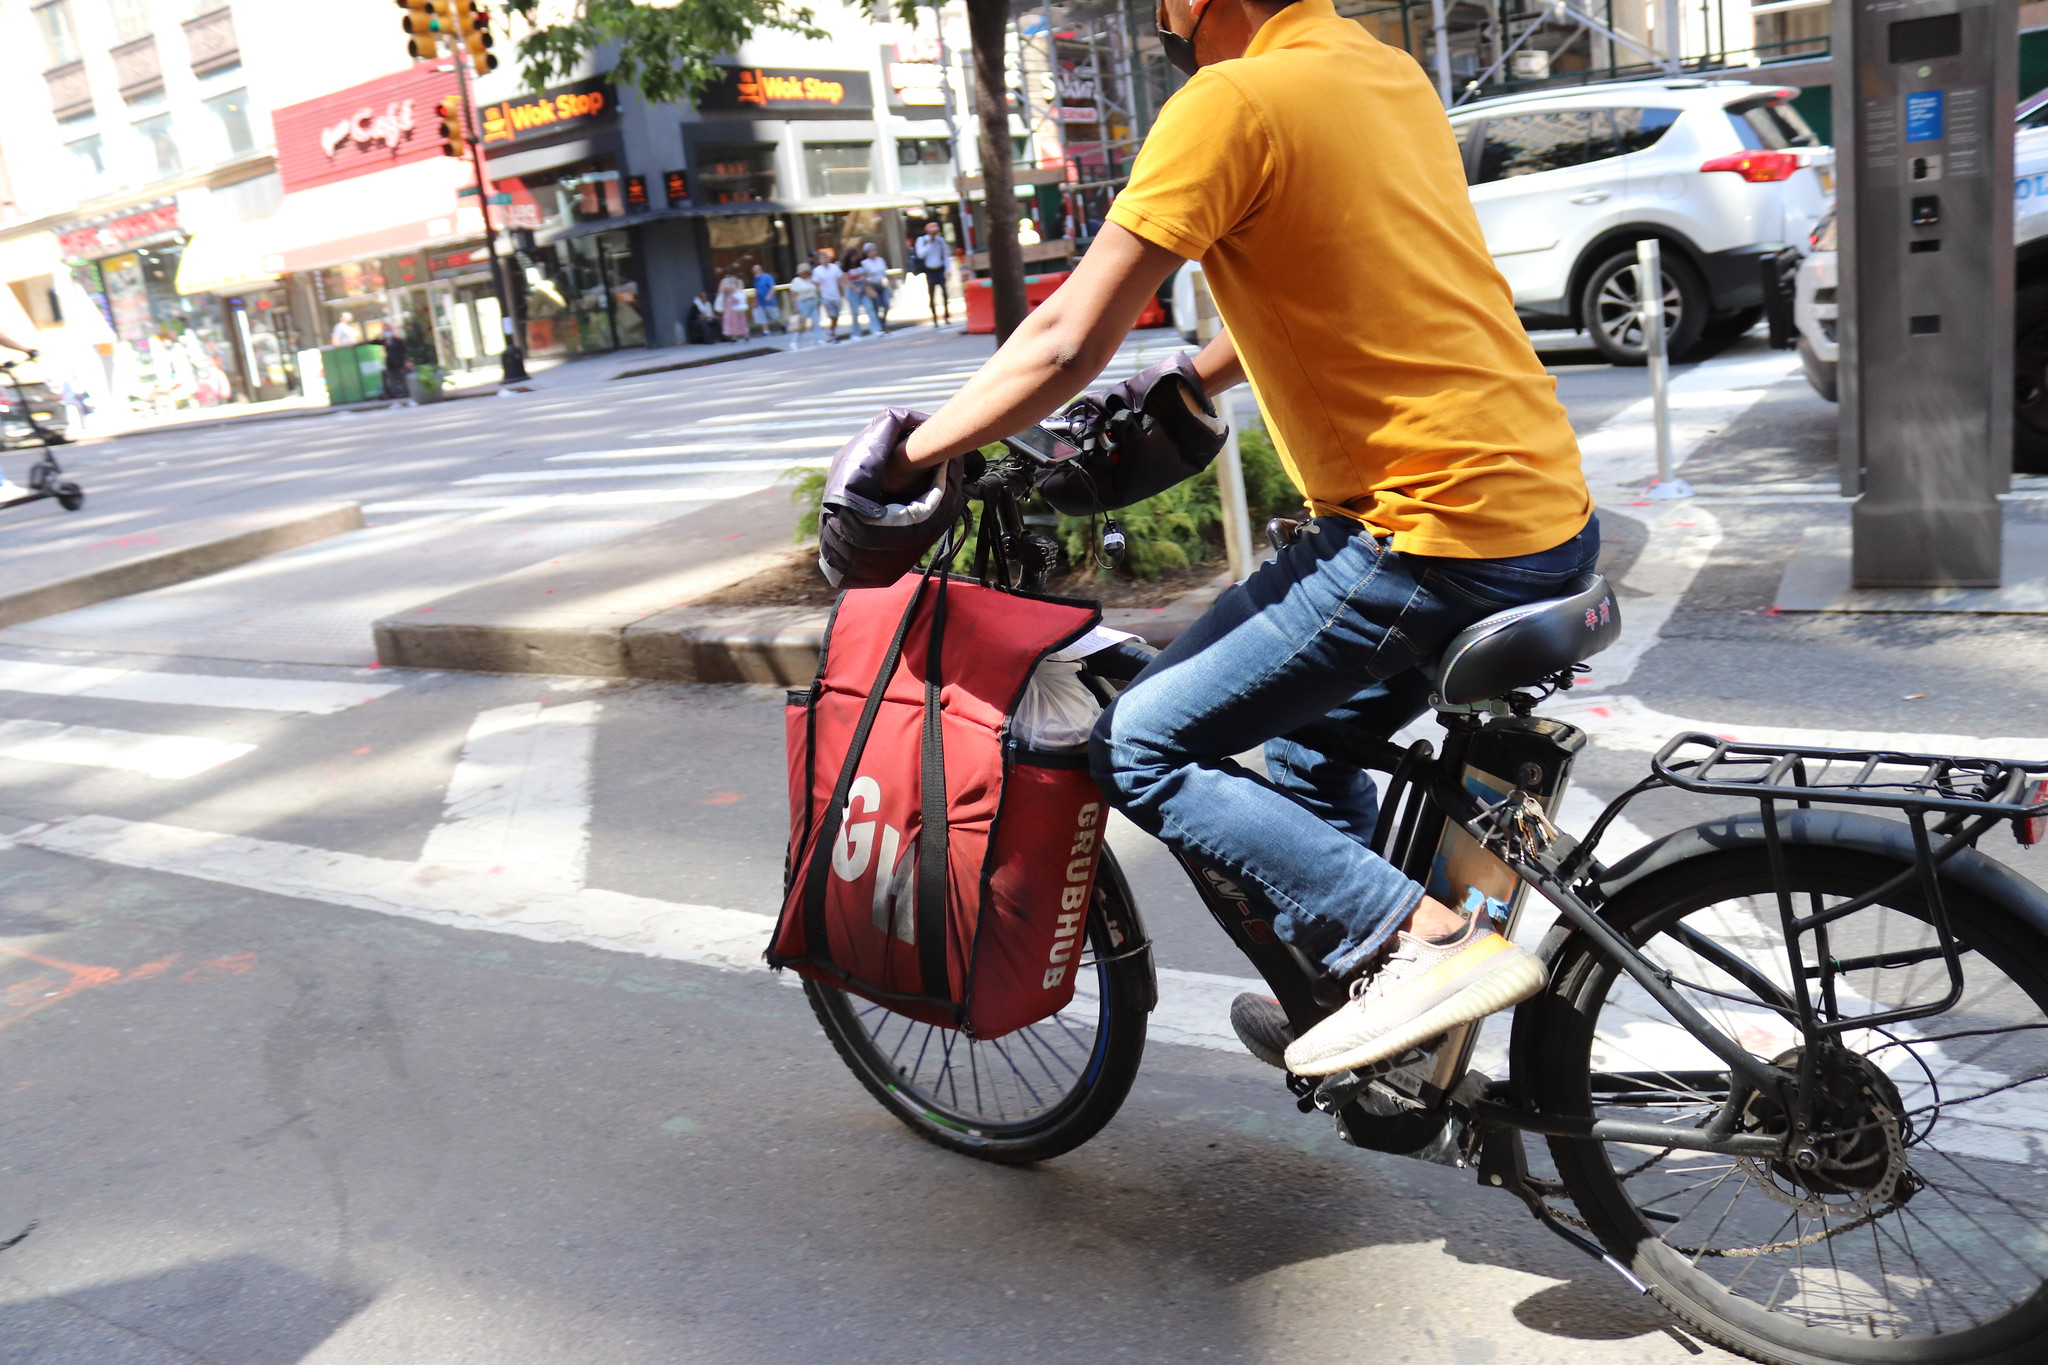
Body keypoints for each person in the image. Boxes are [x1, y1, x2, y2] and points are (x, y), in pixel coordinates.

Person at [863, 0, 1595, 1079]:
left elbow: (1064, 336)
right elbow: (1348, 278)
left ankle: (1421, 942)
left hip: (1423, 538)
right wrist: (1182, 376)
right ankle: (1383, 1026)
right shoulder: (1379, 70)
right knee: (1306, 743)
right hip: (1544, 517)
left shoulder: (1230, 100)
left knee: (1138, 745)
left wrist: (912, 457)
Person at [911, 221, 952, 325]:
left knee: (945, 293)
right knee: (932, 294)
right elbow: (920, 255)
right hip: (930, 270)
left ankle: (946, 315)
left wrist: (948, 270)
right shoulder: (922, 241)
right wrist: (930, 242)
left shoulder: (940, 241)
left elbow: (945, 255)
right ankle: (934, 318)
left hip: (940, 269)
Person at [813, 256, 847, 342]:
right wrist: (818, 296)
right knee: (831, 314)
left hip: (836, 294)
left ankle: (832, 329)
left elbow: (840, 280)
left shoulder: (834, 268)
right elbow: (816, 284)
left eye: (826, 258)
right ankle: (833, 333)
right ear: (820, 260)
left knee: (836, 315)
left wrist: (844, 290)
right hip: (825, 296)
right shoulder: (817, 271)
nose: (824, 260)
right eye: (822, 258)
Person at [786, 265, 820, 347]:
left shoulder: (811, 280)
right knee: (801, 323)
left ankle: (818, 339)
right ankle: (795, 341)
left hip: (813, 301)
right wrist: (795, 306)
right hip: (802, 302)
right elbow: (793, 294)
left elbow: (816, 290)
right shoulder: (796, 281)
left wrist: (818, 300)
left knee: (816, 321)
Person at [716, 273, 751, 341]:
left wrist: (732, 285)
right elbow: (721, 290)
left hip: (736, 301)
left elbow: (740, 289)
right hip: (731, 302)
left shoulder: (738, 281)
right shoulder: (725, 282)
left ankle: (745, 334)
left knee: (740, 318)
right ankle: (734, 336)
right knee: (732, 319)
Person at [379, 327, 410, 402]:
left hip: (399, 363)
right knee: (393, 381)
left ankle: (406, 395)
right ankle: (397, 397)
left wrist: (405, 360)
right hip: (390, 365)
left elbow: (404, 351)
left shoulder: (398, 341)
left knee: (402, 380)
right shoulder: (385, 342)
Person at [752, 263, 780, 330]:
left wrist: (769, 296)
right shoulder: (756, 279)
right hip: (761, 302)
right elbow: (756, 291)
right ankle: (766, 331)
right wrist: (755, 301)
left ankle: (781, 326)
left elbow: (772, 288)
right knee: (762, 317)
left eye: (756, 271)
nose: (755, 273)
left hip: (769, 301)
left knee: (774, 316)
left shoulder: (767, 277)